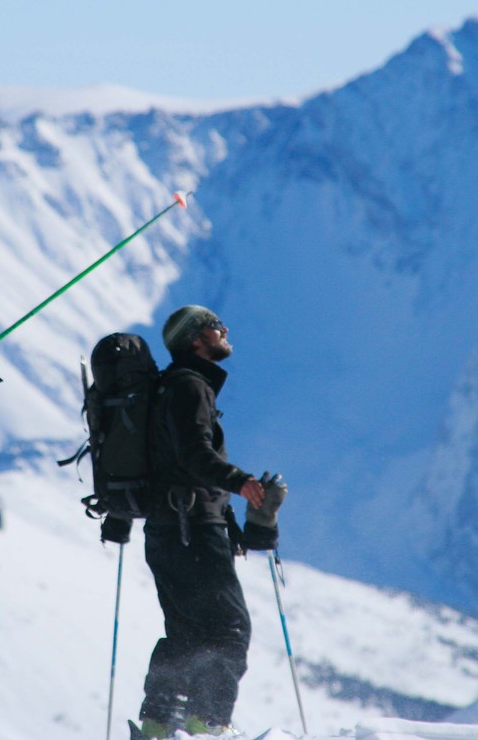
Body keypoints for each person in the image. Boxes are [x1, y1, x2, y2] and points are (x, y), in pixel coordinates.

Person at [135, 305, 285, 739]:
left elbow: (179, 463)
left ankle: (158, 726)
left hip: (168, 528)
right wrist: (240, 482)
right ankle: (207, 724)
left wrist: (237, 525)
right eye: (216, 326)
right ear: (196, 340)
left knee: (185, 634)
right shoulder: (189, 386)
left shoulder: (170, 386)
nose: (225, 329)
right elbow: (194, 456)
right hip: (191, 530)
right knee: (228, 629)